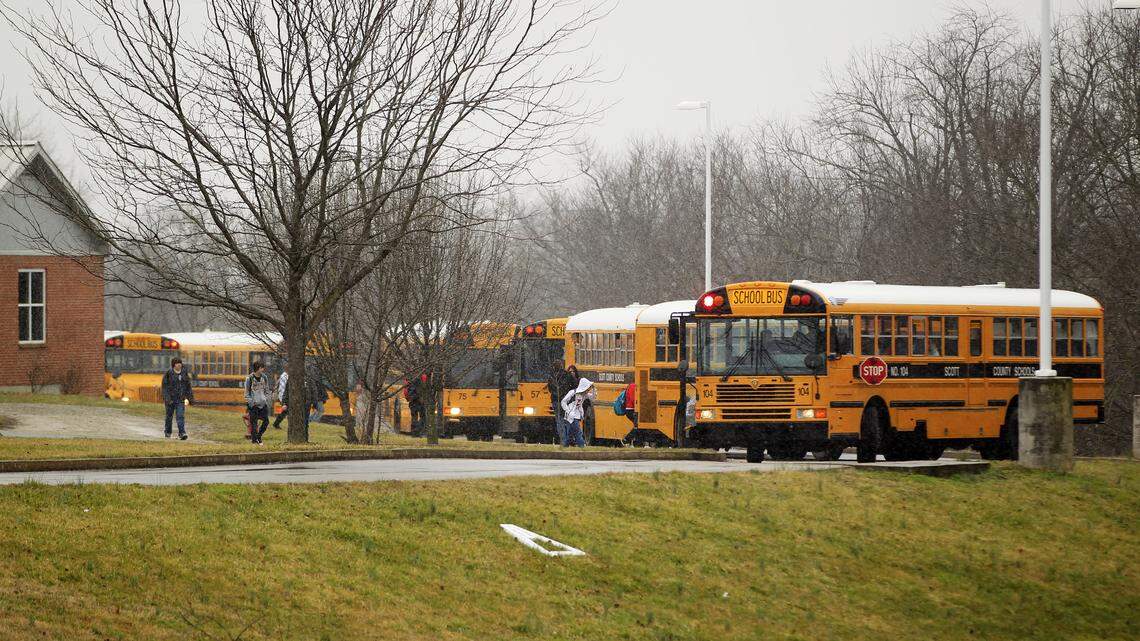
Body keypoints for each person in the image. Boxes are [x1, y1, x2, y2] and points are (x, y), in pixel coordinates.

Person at [160, 357, 194, 440]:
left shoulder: (184, 373)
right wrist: (167, 398)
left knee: (180, 416)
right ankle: (168, 432)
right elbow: (165, 388)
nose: (179, 365)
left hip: (180, 399)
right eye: (177, 363)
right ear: (173, 365)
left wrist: (190, 398)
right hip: (170, 400)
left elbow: (188, 386)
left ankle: (182, 433)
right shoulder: (168, 374)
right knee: (169, 416)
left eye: (180, 363)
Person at [560, 378, 596, 448]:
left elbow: (593, 398)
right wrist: (568, 411)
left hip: (576, 416)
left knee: (569, 434)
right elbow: (563, 402)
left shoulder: (584, 394)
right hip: (570, 416)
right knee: (578, 431)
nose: (588, 390)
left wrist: (594, 389)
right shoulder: (572, 392)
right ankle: (581, 446)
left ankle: (565, 446)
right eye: (588, 388)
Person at [546, 359, 575, 444]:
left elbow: (550, 388)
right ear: (562, 366)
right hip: (566, 401)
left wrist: (556, 393)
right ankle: (569, 437)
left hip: (556, 400)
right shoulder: (567, 375)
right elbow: (573, 385)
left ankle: (563, 439)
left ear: (554, 367)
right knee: (567, 420)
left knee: (559, 420)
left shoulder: (552, 376)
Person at [244, 361, 273, 445]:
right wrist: (251, 403)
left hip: (263, 404)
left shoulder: (264, 377)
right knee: (254, 423)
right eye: (262, 368)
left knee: (266, 421)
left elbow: (267, 390)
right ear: (258, 368)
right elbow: (246, 393)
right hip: (253, 405)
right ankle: (254, 441)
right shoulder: (249, 378)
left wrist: (266, 399)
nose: (263, 369)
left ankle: (259, 436)